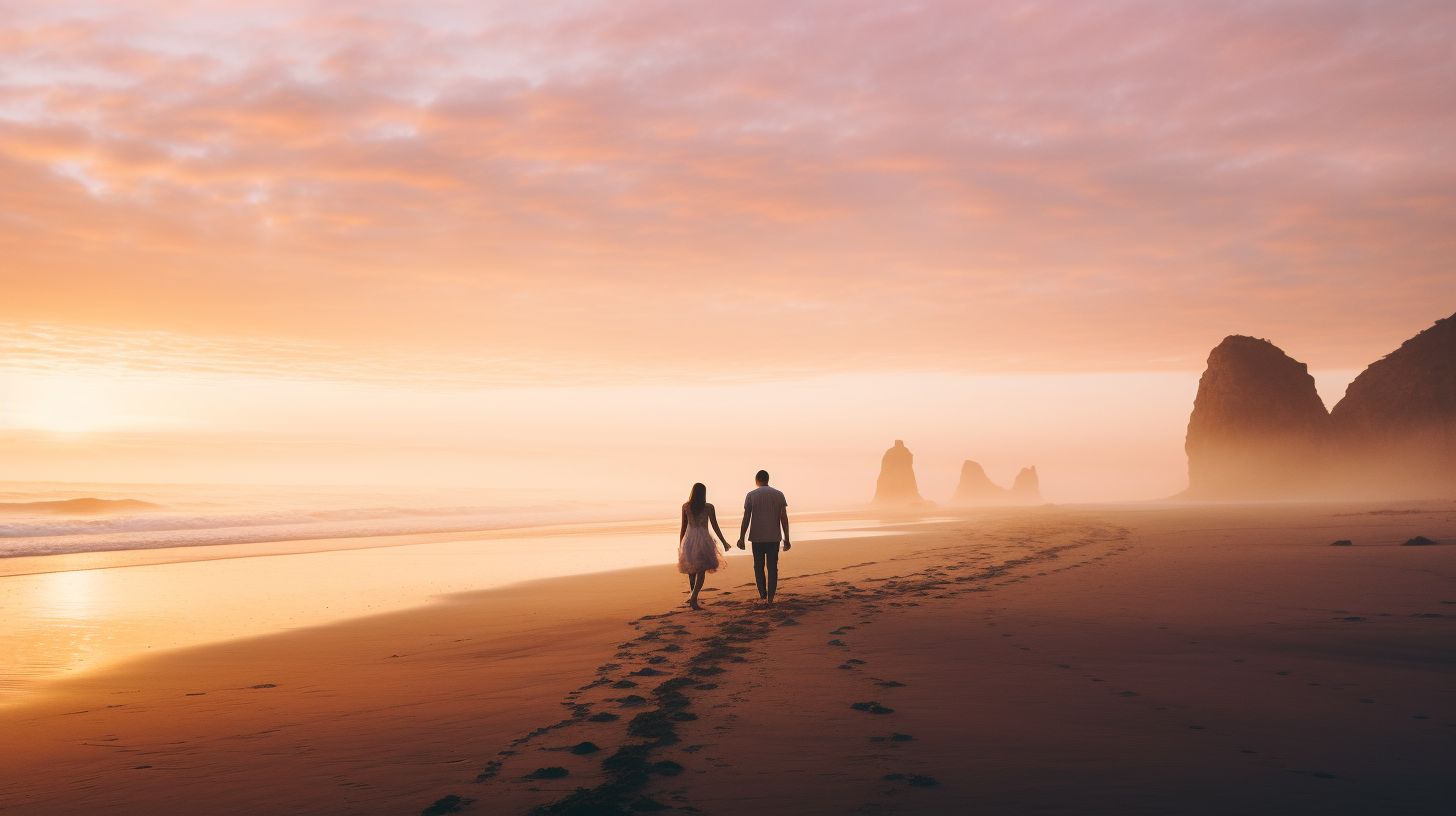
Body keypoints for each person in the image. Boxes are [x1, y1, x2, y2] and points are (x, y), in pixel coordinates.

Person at [737, 469, 790, 604]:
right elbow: (784, 518)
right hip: (774, 537)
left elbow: (746, 518)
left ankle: (762, 594)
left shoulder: (751, 495)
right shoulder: (779, 494)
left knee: (758, 566)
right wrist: (787, 538)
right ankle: (770, 598)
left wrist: (741, 537)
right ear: (768, 479)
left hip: (757, 537)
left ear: (756, 480)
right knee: (772, 568)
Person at [679, 482, 731, 610]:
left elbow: (683, 527)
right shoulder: (708, 507)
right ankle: (693, 598)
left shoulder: (686, 506)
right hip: (703, 539)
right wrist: (723, 541)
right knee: (700, 570)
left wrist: (681, 543)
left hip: (689, 539)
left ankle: (693, 596)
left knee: (692, 569)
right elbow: (715, 525)